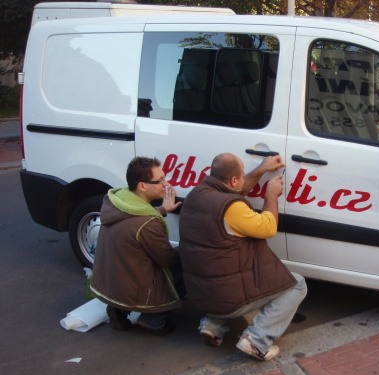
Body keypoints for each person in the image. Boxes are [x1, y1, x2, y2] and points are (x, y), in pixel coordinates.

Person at [179, 153, 307, 361]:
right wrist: (271, 196)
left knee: (222, 273)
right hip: (227, 297)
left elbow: (236, 190)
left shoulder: (197, 195)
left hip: (200, 293)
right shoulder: (232, 208)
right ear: (233, 180)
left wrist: (261, 170)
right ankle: (257, 340)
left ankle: (213, 324)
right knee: (297, 284)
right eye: (240, 176)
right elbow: (267, 227)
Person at [91, 156, 183, 335]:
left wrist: (162, 209)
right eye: (160, 180)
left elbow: (135, 220)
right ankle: (153, 318)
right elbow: (167, 259)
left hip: (110, 282)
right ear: (142, 186)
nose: (166, 184)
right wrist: (189, 250)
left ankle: (118, 309)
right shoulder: (148, 223)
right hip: (137, 288)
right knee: (188, 264)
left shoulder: (117, 202)